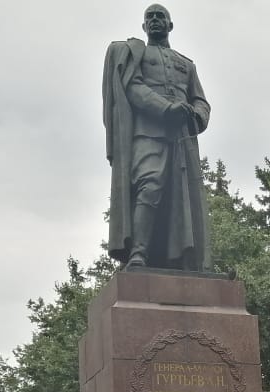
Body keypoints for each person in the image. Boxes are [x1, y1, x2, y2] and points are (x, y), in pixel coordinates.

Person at [103, 4, 211, 271]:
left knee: (181, 200)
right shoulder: (134, 54)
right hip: (147, 133)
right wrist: (165, 108)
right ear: (143, 26)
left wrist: (196, 116)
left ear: (170, 25)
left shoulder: (187, 65)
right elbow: (133, 87)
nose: (154, 20)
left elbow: (201, 101)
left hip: (181, 139)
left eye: (159, 16)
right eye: (149, 17)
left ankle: (182, 260)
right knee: (149, 185)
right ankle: (138, 254)